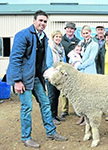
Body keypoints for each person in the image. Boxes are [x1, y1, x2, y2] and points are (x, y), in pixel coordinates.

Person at [6, 10, 67, 148]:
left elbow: (42, 61)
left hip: (35, 77)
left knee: (45, 103)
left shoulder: (44, 38)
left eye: (45, 21)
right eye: (40, 20)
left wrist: (49, 75)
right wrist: (17, 80)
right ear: (34, 21)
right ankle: (26, 137)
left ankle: (51, 132)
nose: (42, 23)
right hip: (23, 78)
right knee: (27, 107)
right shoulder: (23, 35)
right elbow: (15, 58)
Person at [75, 25, 99, 125]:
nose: (85, 35)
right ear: (81, 34)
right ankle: (82, 116)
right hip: (81, 72)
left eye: (87, 33)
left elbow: (91, 59)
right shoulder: (80, 43)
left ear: (91, 33)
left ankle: (88, 118)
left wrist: (80, 66)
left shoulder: (94, 44)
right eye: (84, 33)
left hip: (89, 71)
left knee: (89, 96)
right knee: (82, 95)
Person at [46, 30, 66, 125]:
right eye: (56, 37)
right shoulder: (50, 48)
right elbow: (49, 64)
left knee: (57, 95)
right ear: (53, 38)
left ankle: (55, 115)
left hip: (59, 76)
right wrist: (56, 73)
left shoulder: (61, 48)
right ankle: (51, 117)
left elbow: (64, 62)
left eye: (59, 37)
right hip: (51, 75)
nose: (58, 39)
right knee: (52, 96)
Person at [60, 22, 80, 118]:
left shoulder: (78, 41)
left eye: (71, 29)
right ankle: (64, 110)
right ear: (65, 29)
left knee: (75, 89)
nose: (70, 30)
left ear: (74, 30)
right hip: (64, 68)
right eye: (68, 28)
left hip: (74, 69)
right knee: (64, 90)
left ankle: (77, 109)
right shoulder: (61, 40)